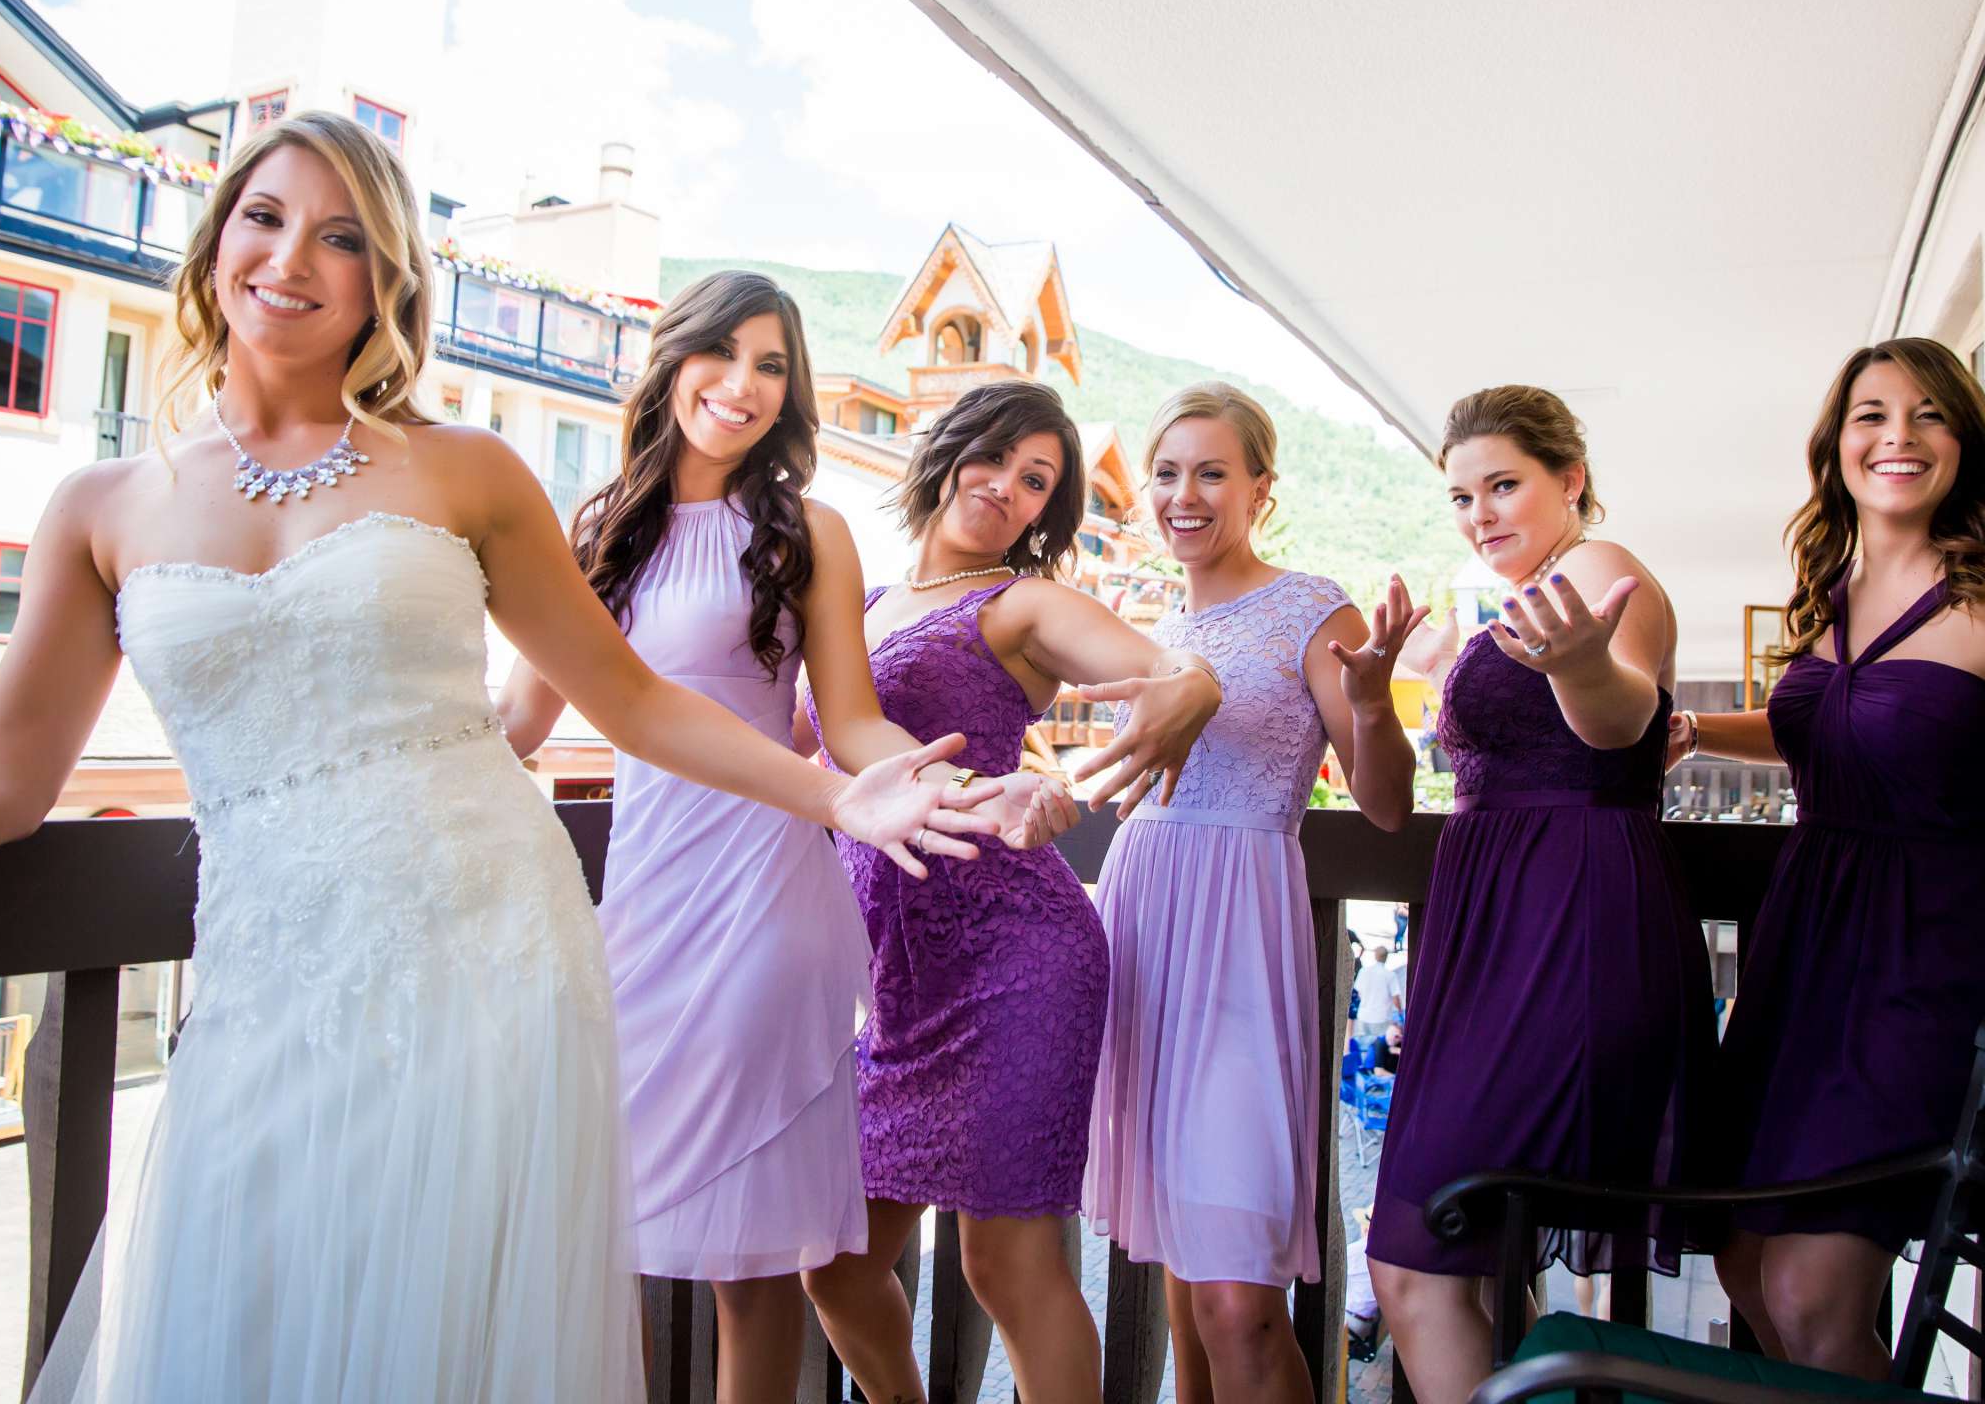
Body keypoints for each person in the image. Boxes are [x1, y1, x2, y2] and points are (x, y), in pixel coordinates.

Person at [0, 112, 993, 1403]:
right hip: (267, 978)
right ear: (216, 245)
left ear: (386, 283)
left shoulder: (465, 472)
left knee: (443, 1341)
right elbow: (3, 781)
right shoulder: (100, 508)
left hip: (495, 955)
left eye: (343, 238)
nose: (292, 259)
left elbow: (638, 703)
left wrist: (839, 791)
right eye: (264, 218)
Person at [496, 270, 1072, 1404]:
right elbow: (519, 719)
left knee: (754, 1263)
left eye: (774, 366)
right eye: (727, 353)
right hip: (642, 907)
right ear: (674, 360)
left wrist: (928, 788)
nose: (746, 385)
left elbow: (851, 721)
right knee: (607, 1223)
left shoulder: (810, 530)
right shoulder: (594, 527)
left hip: (765, 901)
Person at [1672, 338, 1985, 1380]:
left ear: (1967, 446)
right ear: (1837, 445)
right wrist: (1702, 732)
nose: (1898, 434)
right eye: (1871, 414)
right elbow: (1840, 721)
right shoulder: (1830, 592)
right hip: (1800, 953)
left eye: (1929, 414)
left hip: (1925, 962)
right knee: (1745, 1262)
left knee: (1813, 1294)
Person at [801, 377, 1221, 1404]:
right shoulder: (855, 604)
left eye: (1037, 480)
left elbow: (1176, 673)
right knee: (838, 1261)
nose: (1007, 486)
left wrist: (1164, 713)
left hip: (1016, 955)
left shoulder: (1022, 600)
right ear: (947, 451)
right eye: (995, 457)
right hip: (898, 981)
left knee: (1006, 1262)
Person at [1365, 384, 1714, 1404]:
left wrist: (1581, 668)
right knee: (1440, 1256)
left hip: (1567, 927)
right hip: (1497, 937)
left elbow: (1624, 718)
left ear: (1571, 481)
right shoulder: (1529, 597)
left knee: (1419, 1258)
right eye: (1462, 496)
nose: (1480, 513)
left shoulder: (1601, 573)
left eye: (1504, 484)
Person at [1083, 382, 1420, 1404]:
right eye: (1169, 473)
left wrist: (1371, 703)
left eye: (1213, 472)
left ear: (1260, 487)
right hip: (1141, 923)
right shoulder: (1153, 621)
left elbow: (1389, 804)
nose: (1186, 494)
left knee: (1237, 1298)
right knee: (1185, 1279)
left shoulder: (1314, 605)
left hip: (1239, 930)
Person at [1352, 943, 1402, 1047]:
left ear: (1375, 956)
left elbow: (1358, 992)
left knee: (1363, 1048)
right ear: (1386, 957)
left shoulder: (1363, 971)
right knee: (1378, 1048)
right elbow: (1395, 998)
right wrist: (1400, 1012)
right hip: (1381, 1017)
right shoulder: (1390, 975)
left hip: (1363, 1016)